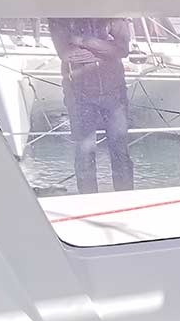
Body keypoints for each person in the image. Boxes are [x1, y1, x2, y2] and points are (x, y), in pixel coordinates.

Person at [47, 17, 135, 193]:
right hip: (79, 94)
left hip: (114, 93)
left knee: (120, 150)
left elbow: (122, 50)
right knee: (84, 152)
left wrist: (83, 41)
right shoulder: (60, 17)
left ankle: (126, 198)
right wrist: (105, 49)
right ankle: (88, 200)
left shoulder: (112, 13)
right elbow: (66, 54)